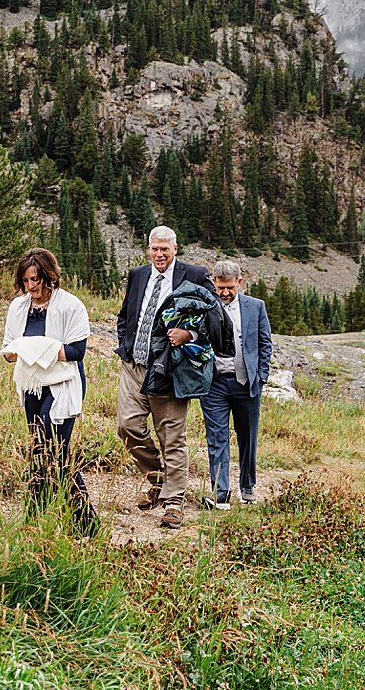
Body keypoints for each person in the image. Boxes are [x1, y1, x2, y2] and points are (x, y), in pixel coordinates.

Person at [114, 226, 212, 527]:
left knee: (171, 436)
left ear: (175, 249)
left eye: (164, 249)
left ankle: (173, 502)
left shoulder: (194, 275)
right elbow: (125, 315)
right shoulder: (138, 275)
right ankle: (158, 478)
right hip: (134, 365)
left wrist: (190, 333)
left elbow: (216, 316)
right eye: (154, 249)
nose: (159, 254)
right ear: (148, 249)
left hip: (169, 369)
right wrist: (125, 346)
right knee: (127, 426)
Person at [0, 247, 94, 533]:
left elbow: (76, 351)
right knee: (41, 450)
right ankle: (45, 520)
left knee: (56, 449)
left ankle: (77, 521)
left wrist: (36, 348)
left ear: (50, 277)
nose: (33, 287)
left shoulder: (70, 305)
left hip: (63, 384)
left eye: (37, 280)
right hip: (31, 385)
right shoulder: (18, 307)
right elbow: (8, 350)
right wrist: (23, 351)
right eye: (27, 281)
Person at [200, 260, 273, 507]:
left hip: (247, 383)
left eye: (230, 287)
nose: (225, 293)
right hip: (214, 384)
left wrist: (261, 376)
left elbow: (265, 343)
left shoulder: (256, 307)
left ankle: (248, 486)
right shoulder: (205, 306)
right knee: (217, 438)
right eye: (220, 287)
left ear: (239, 283)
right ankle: (221, 491)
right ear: (214, 284)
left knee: (248, 437)